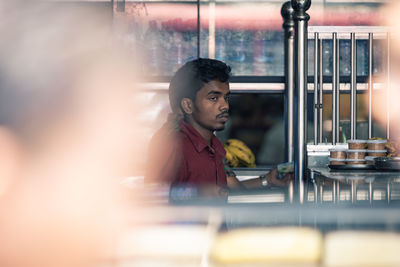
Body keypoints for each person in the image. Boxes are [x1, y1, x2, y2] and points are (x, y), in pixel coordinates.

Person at [145, 58, 293, 201]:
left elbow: (228, 189)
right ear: (188, 105)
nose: (225, 106)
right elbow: (151, 197)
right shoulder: (172, 144)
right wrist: (197, 192)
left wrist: (267, 180)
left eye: (226, 98)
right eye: (214, 98)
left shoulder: (212, 144)